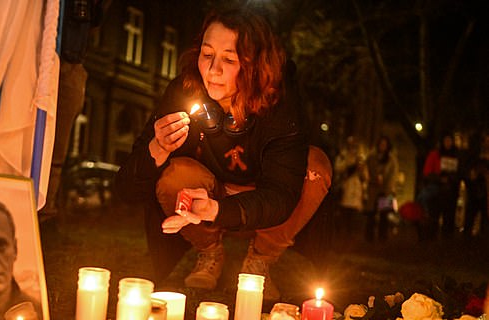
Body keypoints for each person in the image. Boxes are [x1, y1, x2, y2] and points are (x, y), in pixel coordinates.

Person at [115, 6, 332, 300]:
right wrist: (157, 148)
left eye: (229, 59)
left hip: (260, 203)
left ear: (255, 65)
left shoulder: (280, 104)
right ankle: (209, 253)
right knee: (171, 172)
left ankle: (260, 262)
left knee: (315, 165)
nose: (213, 70)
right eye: (207, 55)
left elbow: (282, 194)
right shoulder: (184, 92)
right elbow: (125, 189)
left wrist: (216, 210)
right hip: (207, 193)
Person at [40, 0, 110, 220]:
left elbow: (95, 17)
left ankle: (44, 216)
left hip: (69, 61)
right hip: (37, 53)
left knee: (55, 151)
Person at [418, 133, 461, 239]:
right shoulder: (435, 154)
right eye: (446, 140)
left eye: (450, 140)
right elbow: (427, 172)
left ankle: (444, 242)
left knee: (448, 218)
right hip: (437, 190)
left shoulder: (456, 156)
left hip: (450, 192)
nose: (448, 143)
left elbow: (459, 173)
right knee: (434, 216)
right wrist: (439, 178)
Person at [363, 135, 398, 242]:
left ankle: (382, 237)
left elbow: (393, 174)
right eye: (381, 144)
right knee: (371, 213)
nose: (383, 146)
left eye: (385, 144)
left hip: (386, 189)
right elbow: (366, 169)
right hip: (373, 188)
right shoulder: (372, 156)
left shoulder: (391, 159)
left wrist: (389, 186)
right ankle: (369, 237)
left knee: (384, 214)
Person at [333, 135, 368, 241]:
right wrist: (350, 165)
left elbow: (365, 177)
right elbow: (338, 169)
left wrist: (361, 170)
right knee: (343, 217)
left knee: (353, 220)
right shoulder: (343, 156)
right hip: (345, 191)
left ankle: (349, 239)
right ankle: (340, 238)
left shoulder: (360, 160)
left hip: (356, 194)